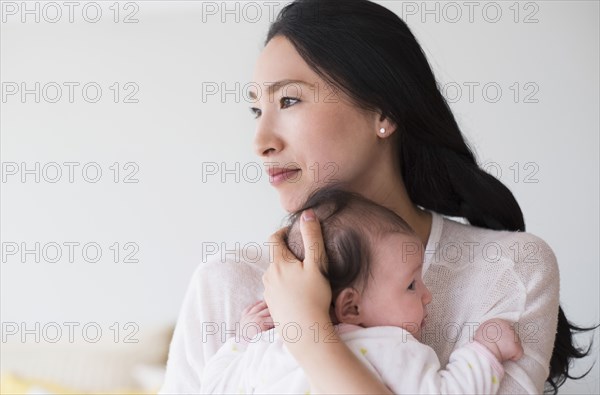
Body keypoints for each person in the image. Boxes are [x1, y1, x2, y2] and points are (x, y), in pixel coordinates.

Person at [159, 0, 595, 394]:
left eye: (288, 100)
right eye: (257, 109)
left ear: (383, 112)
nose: (260, 142)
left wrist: (308, 330)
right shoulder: (227, 284)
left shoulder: (508, 270)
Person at [200, 186, 524, 394]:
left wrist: (241, 343)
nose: (428, 295)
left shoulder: (269, 346)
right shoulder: (388, 347)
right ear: (351, 308)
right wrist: (485, 351)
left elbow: (212, 388)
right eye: (411, 285)